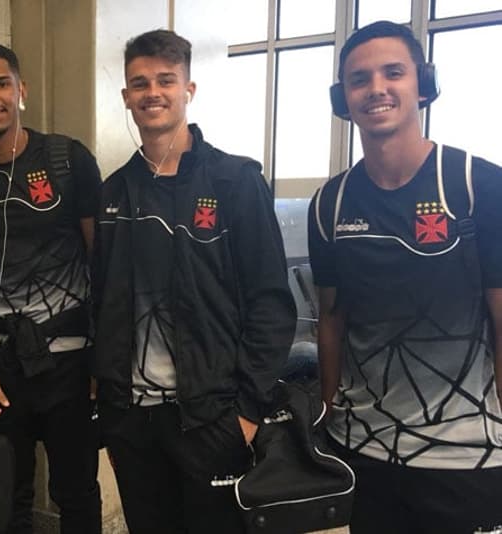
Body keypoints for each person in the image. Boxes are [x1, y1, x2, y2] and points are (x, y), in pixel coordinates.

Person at [92, 30, 295, 533]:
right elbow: (103, 301)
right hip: (134, 421)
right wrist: (111, 409)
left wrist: (246, 413)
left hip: (211, 417)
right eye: (140, 83)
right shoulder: (114, 192)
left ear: (188, 90)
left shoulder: (234, 182)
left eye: (166, 80)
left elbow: (271, 304)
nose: (152, 92)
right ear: (126, 96)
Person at [309, 20, 502, 533]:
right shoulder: (330, 204)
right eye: (359, 79)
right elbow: (331, 320)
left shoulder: (478, 185)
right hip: (366, 449)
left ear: (423, 84)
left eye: (393, 72)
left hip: (468, 454)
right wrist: (328, 413)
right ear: (342, 98)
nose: (376, 88)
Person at [0, 42, 102, 534]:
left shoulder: (68, 159)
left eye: (1, 84)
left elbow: (103, 262)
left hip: (71, 359)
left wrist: (106, 359)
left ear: (21, 90)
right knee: (4, 497)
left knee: (77, 493)